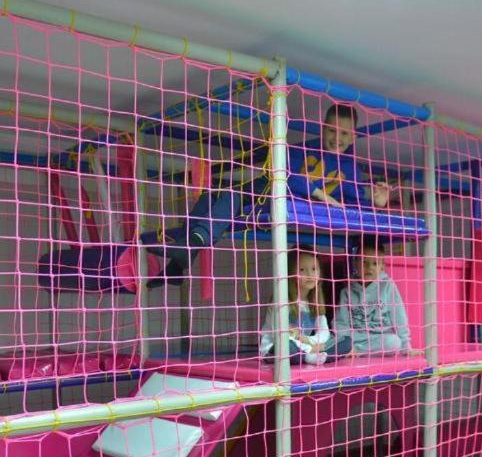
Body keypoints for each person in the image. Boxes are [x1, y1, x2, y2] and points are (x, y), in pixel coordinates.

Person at [148, 104, 392, 287]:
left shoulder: (350, 168)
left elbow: (355, 202)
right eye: (331, 130)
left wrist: (378, 202)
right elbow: (285, 174)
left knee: (227, 198)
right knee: (210, 199)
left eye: (345, 134)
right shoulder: (301, 150)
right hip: (262, 190)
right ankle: (178, 263)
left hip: (272, 202)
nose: (337, 138)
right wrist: (319, 193)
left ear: (354, 136)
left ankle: (183, 256)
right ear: (322, 128)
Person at [332, 240, 411, 356]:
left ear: (382, 267)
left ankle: (357, 352)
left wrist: (406, 347)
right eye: (364, 262)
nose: (369, 267)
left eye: (375, 263)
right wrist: (347, 342)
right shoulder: (347, 291)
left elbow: (399, 317)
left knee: (394, 342)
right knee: (333, 338)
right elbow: (340, 322)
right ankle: (350, 350)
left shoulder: (388, 286)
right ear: (356, 264)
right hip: (355, 339)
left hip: (379, 339)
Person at [259, 249, 330, 366]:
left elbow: (324, 333)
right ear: (290, 273)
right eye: (302, 270)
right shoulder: (281, 301)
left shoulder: (314, 303)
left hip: (305, 345)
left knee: (344, 341)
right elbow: (280, 336)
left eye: (314, 269)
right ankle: (308, 355)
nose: (310, 275)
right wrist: (311, 348)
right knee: (287, 345)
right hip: (276, 349)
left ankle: (308, 355)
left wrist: (308, 341)